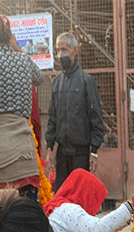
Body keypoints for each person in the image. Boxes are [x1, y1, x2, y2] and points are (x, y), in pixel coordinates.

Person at [0, 10, 46, 199]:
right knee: (26, 217)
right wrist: (17, 50)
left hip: (0, 157)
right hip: (26, 156)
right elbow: (39, 77)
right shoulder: (22, 59)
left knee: (1, 221)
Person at [45, 32, 104, 191]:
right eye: (58, 50)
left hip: (81, 154)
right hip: (62, 154)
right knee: (61, 199)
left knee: (79, 198)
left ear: (74, 51)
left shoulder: (86, 81)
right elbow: (52, 118)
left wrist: (94, 152)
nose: (60, 54)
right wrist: (49, 147)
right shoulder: (57, 83)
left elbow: (96, 118)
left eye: (64, 50)